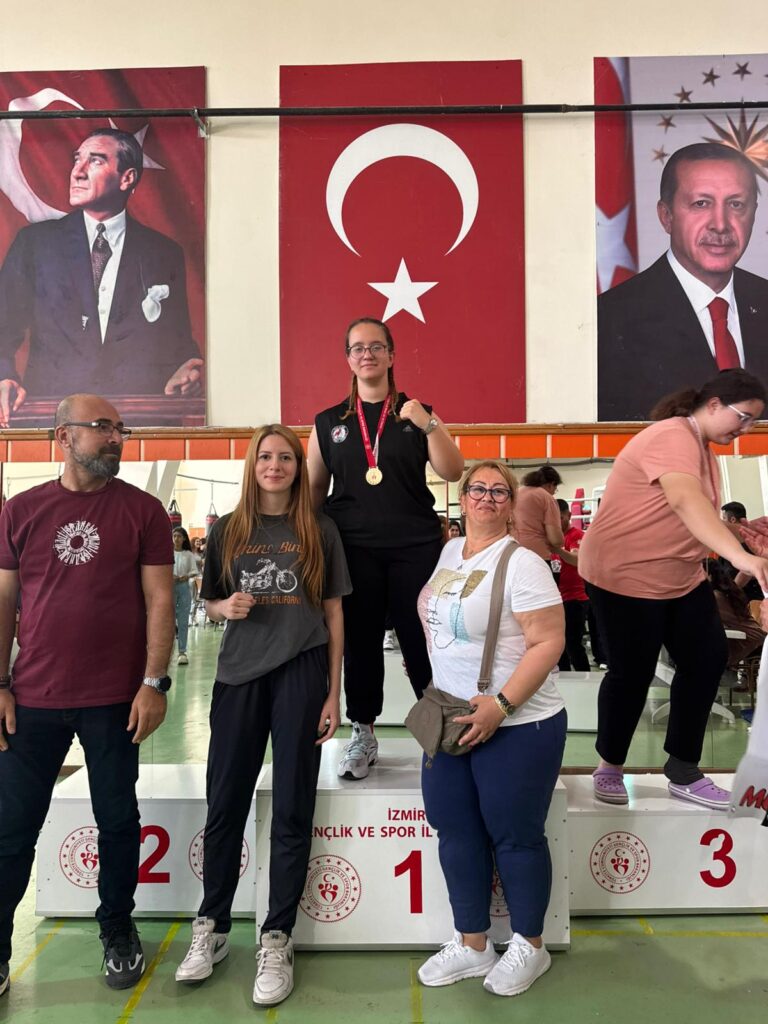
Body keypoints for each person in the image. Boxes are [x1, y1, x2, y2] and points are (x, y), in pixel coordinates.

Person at [0, 393, 174, 996]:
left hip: (114, 700)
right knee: (11, 827)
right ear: (63, 436)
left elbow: (159, 600)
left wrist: (154, 683)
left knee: (118, 820)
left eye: (120, 428)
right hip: (32, 698)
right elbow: (4, 600)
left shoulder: (143, 511)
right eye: (102, 427)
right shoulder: (21, 511)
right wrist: (0, 683)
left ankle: (118, 928)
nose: (115, 437)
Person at [175, 425, 350, 1007]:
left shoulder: (319, 529)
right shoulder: (228, 529)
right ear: (252, 465)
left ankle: (277, 937)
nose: (275, 466)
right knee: (225, 802)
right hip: (238, 676)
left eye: (286, 458)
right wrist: (222, 606)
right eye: (266, 457)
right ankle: (213, 925)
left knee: (293, 805)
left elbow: (333, 614)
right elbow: (208, 601)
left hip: (301, 672)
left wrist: (333, 693)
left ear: (299, 468)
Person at [579, 369, 768, 810]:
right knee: (632, 672)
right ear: (714, 404)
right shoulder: (672, 436)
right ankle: (609, 766)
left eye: (753, 422)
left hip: (680, 577)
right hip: (624, 577)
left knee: (707, 658)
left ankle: (683, 769)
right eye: (743, 417)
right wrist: (742, 558)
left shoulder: (704, 449)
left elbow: (686, 514)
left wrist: (740, 532)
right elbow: (684, 500)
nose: (745, 429)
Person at [416, 461, 566, 997]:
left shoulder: (525, 564)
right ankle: (473, 943)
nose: (486, 497)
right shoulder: (450, 551)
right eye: (477, 488)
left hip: (519, 722)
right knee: (454, 829)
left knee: (516, 836)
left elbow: (549, 642)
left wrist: (501, 704)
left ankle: (530, 944)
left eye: (499, 491)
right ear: (461, 499)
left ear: (511, 504)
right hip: (451, 717)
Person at [307, 317, 464, 780]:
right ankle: (362, 731)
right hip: (353, 549)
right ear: (348, 359)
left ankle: (439, 728)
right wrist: (308, 545)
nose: (367, 354)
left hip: (415, 547)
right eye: (357, 348)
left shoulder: (417, 414)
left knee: (423, 641)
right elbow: (313, 491)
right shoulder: (329, 422)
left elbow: (453, 470)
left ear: (392, 355)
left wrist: (429, 424)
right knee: (360, 644)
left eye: (376, 346)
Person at [0, 127, 203, 427]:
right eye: (77, 159)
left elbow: (179, 342)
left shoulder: (163, 253)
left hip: (135, 423)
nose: (77, 172)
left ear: (127, 178)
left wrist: (187, 370)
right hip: (53, 420)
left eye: (95, 161)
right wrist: (4, 376)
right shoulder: (34, 244)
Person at [598, 143, 768, 421]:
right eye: (701, 204)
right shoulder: (608, 321)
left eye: (736, 204)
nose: (720, 225)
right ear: (666, 216)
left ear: (754, 213)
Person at [554, 499, 590, 672]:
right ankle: (564, 678)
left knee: (573, 643)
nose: (557, 522)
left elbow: (577, 560)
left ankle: (585, 678)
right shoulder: (550, 538)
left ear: (568, 515)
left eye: (560, 518)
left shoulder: (577, 536)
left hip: (574, 599)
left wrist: (557, 549)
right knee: (557, 644)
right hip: (556, 599)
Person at [514, 466, 563, 562]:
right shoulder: (547, 497)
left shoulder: (515, 493)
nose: (553, 493)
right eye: (555, 489)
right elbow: (556, 540)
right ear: (551, 484)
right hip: (537, 555)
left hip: (513, 553)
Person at [172, 527, 198, 665]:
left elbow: (194, 571)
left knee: (183, 621)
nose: (176, 539)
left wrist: (186, 576)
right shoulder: (167, 553)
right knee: (168, 621)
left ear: (183, 539)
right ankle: (167, 651)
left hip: (183, 588)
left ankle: (182, 652)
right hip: (169, 588)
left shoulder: (188, 554)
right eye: (174, 536)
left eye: (179, 536)